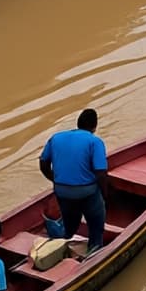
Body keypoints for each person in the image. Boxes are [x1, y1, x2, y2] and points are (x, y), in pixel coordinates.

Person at [39, 109, 108, 255]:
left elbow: (43, 163)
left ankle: (60, 239)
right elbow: (101, 173)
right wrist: (105, 195)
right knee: (96, 222)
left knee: (69, 225)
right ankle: (95, 249)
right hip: (87, 192)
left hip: (62, 191)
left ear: (78, 123)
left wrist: (55, 180)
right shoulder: (95, 142)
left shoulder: (56, 138)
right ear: (95, 126)